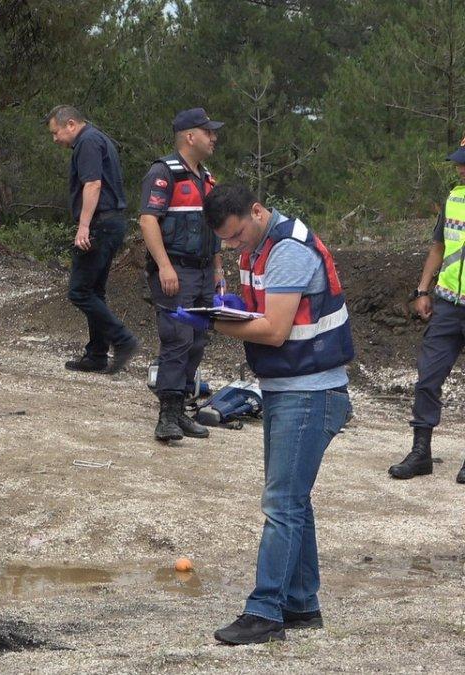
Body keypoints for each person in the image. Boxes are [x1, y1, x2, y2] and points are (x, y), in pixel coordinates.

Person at [173, 184, 353, 645]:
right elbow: (263, 313)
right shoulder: (258, 244)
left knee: (281, 505)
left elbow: (273, 331)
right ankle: (300, 603)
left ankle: (265, 611)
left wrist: (214, 321)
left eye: (237, 236)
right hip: (290, 388)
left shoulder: (288, 250)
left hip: (310, 392)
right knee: (294, 501)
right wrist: (231, 308)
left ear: (256, 212)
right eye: (228, 242)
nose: (235, 246)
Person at [139, 108, 225, 442]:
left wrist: (218, 270)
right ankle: (167, 417)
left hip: (203, 272)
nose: (213, 137)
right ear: (190, 136)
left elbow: (214, 229)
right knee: (177, 339)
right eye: (208, 132)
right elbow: (148, 221)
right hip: (177, 269)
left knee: (197, 341)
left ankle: (182, 410)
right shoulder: (164, 173)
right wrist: (164, 266)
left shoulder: (207, 178)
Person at [388, 140, 465, 483]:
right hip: (448, 304)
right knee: (428, 377)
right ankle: (421, 453)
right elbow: (438, 246)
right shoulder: (454, 199)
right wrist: (422, 289)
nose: (460, 168)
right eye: (459, 163)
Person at [46, 104, 140, 374]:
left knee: (79, 291)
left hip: (100, 224)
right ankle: (96, 354)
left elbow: (93, 184)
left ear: (71, 124)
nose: (55, 139)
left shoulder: (87, 142)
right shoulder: (98, 139)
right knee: (94, 290)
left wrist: (84, 226)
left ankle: (123, 340)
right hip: (111, 223)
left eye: (56, 132)